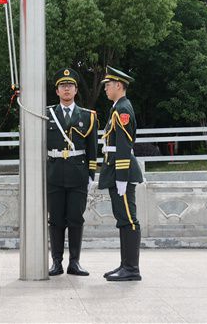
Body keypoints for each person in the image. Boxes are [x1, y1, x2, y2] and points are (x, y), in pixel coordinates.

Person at [46, 68, 98, 276]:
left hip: (78, 174)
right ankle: (56, 262)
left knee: (76, 219)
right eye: (62, 86)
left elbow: (93, 148)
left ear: (76, 90)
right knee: (56, 219)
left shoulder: (88, 116)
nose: (66, 89)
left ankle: (74, 262)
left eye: (70, 86)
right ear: (57, 91)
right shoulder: (47, 114)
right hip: (54, 173)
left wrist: (91, 175)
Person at [98, 66, 143, 281]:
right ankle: (125, 266)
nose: (106, 88)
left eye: (108, 85)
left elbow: (124, 146)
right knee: (122, 219)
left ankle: (132, 269)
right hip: (115, 170)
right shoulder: (117, 107)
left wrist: (122, 178)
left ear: (118, 85)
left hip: (121, 171)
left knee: (129, 220)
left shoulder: (122, 110)